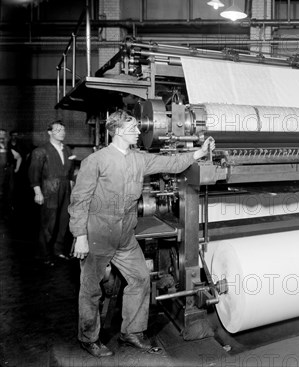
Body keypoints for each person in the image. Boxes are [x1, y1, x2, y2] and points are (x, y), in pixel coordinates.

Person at [69, 110, 215, 358]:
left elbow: (170, 163)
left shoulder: (139, 159)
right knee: (91, 289)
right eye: (134, 128)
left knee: (139, 279)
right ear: (117, 131)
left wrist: (198, 153)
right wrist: (80, 235)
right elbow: (80, 200)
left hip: (126, 233)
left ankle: (132, 332)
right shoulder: (96, 161)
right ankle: (89, 338)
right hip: (99, 232)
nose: (139, 131)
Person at [29, 121, 76, 264]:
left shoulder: (67, 149)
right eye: (57, 130)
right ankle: (44, 255)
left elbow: (71, 172)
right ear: (49, 132)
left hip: (65, 188)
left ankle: (58, 250)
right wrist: (37, 192)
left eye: (63, 130)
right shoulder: (40, 151)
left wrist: (72, 189)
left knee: (63, 221)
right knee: (49, 223)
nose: (62, 132)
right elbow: (33, 173)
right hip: (49, 188)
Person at [0, 129, 22, 220]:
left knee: (9, 191)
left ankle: (6, 211)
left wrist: (16, 168)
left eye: (3, 135)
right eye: (0, 135)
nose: (2, 137)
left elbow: (19, 157)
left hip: (8, 172)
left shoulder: (8, 147)